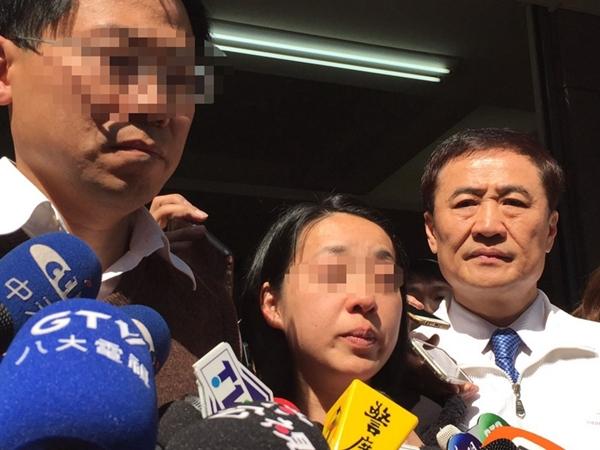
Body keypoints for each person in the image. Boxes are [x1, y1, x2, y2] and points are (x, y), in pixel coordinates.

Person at [0, 0, 241, 406]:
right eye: (117, 60)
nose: (156, 104)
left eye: (181, 77)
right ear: (5, 71)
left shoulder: (203, 305)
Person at [416, 127, 600, 447]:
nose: (488, 226)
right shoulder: (400, 366)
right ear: (432, 231)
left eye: (513, 202)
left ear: (550, 231)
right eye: (465, 203)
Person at [240, 194, 424, 446]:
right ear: (273, 305)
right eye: (334, 272)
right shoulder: (232, 434)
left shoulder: (442, 429)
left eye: (385, 279)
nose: (365, 299)